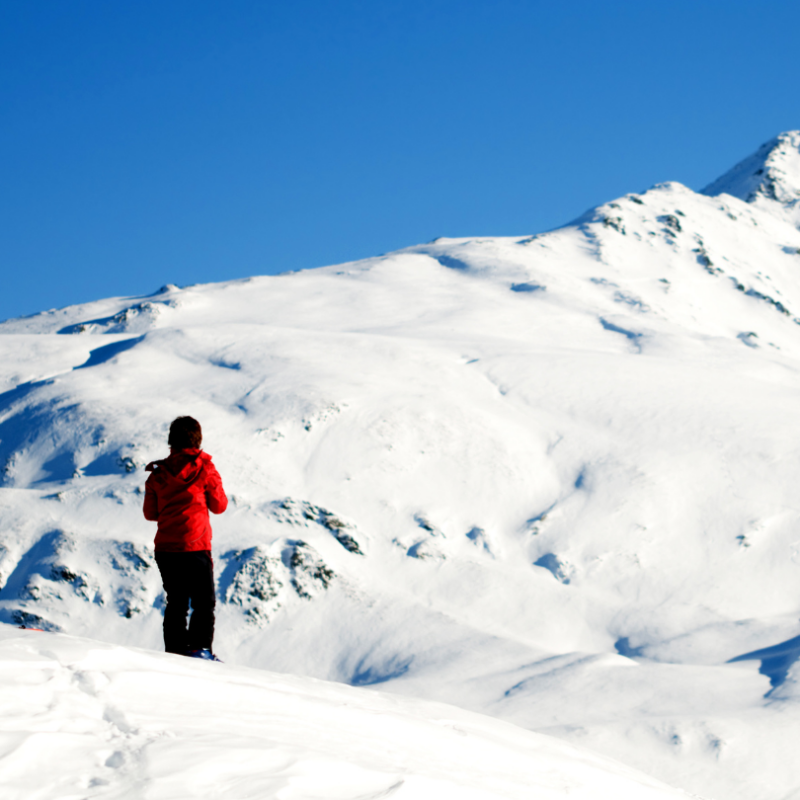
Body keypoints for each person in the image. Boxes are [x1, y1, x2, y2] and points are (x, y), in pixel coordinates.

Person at [143, 416, 228, 660]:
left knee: (176, 603)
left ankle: (175, 653)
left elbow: (150, 514)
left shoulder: (157, 475)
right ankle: (199, 650)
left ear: (171, 441)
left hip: (166, 548)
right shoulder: (205, 469)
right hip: (196, 546)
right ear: (198, 440)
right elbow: (219, 505)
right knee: (203, 603)